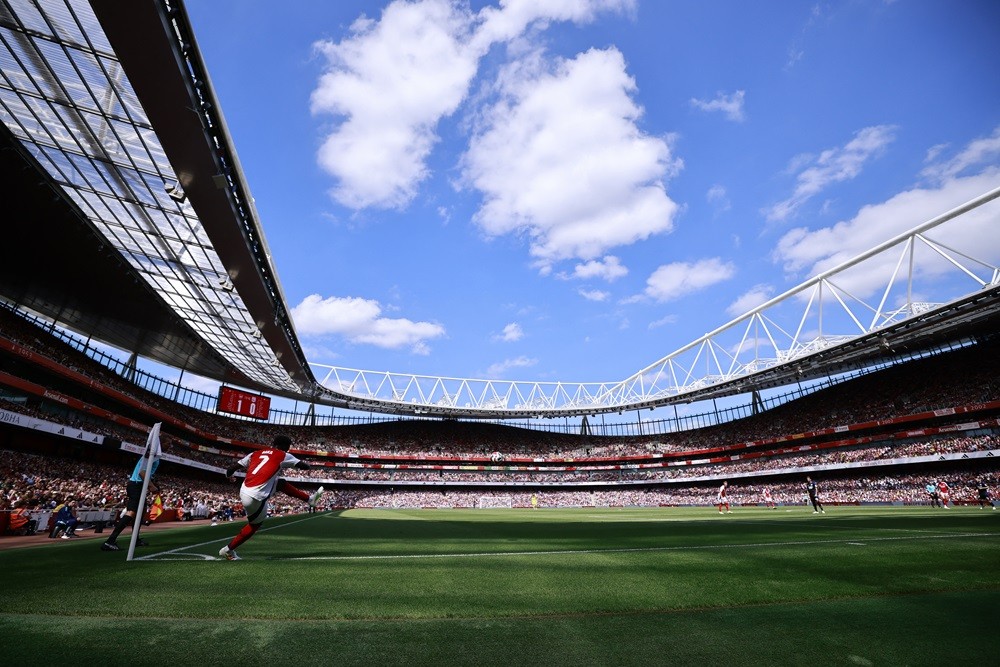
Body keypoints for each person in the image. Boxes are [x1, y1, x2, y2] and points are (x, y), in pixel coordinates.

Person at [218, 435, 324, 561]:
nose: (288, 450)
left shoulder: (255, 453)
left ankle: (309, 499)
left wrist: (228, 476)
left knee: (280, 483)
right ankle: (227, 550)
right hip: (256, 495)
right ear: (285, 446)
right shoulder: (283, 454)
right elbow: (304, 466)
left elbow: (231, 469)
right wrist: (304, 464)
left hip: (245, 490)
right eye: (288, 448)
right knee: (254, 526)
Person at [101, 441, 165, 551]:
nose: (169, 445)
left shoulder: (153, 456)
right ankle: (109, 541)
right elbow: (142, 473)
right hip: (136, 485)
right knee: (132, 513)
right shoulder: (151, 456)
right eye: (167, 442)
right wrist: (152, 486)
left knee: (140, 513)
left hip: (137, 486)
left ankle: (135, 540)